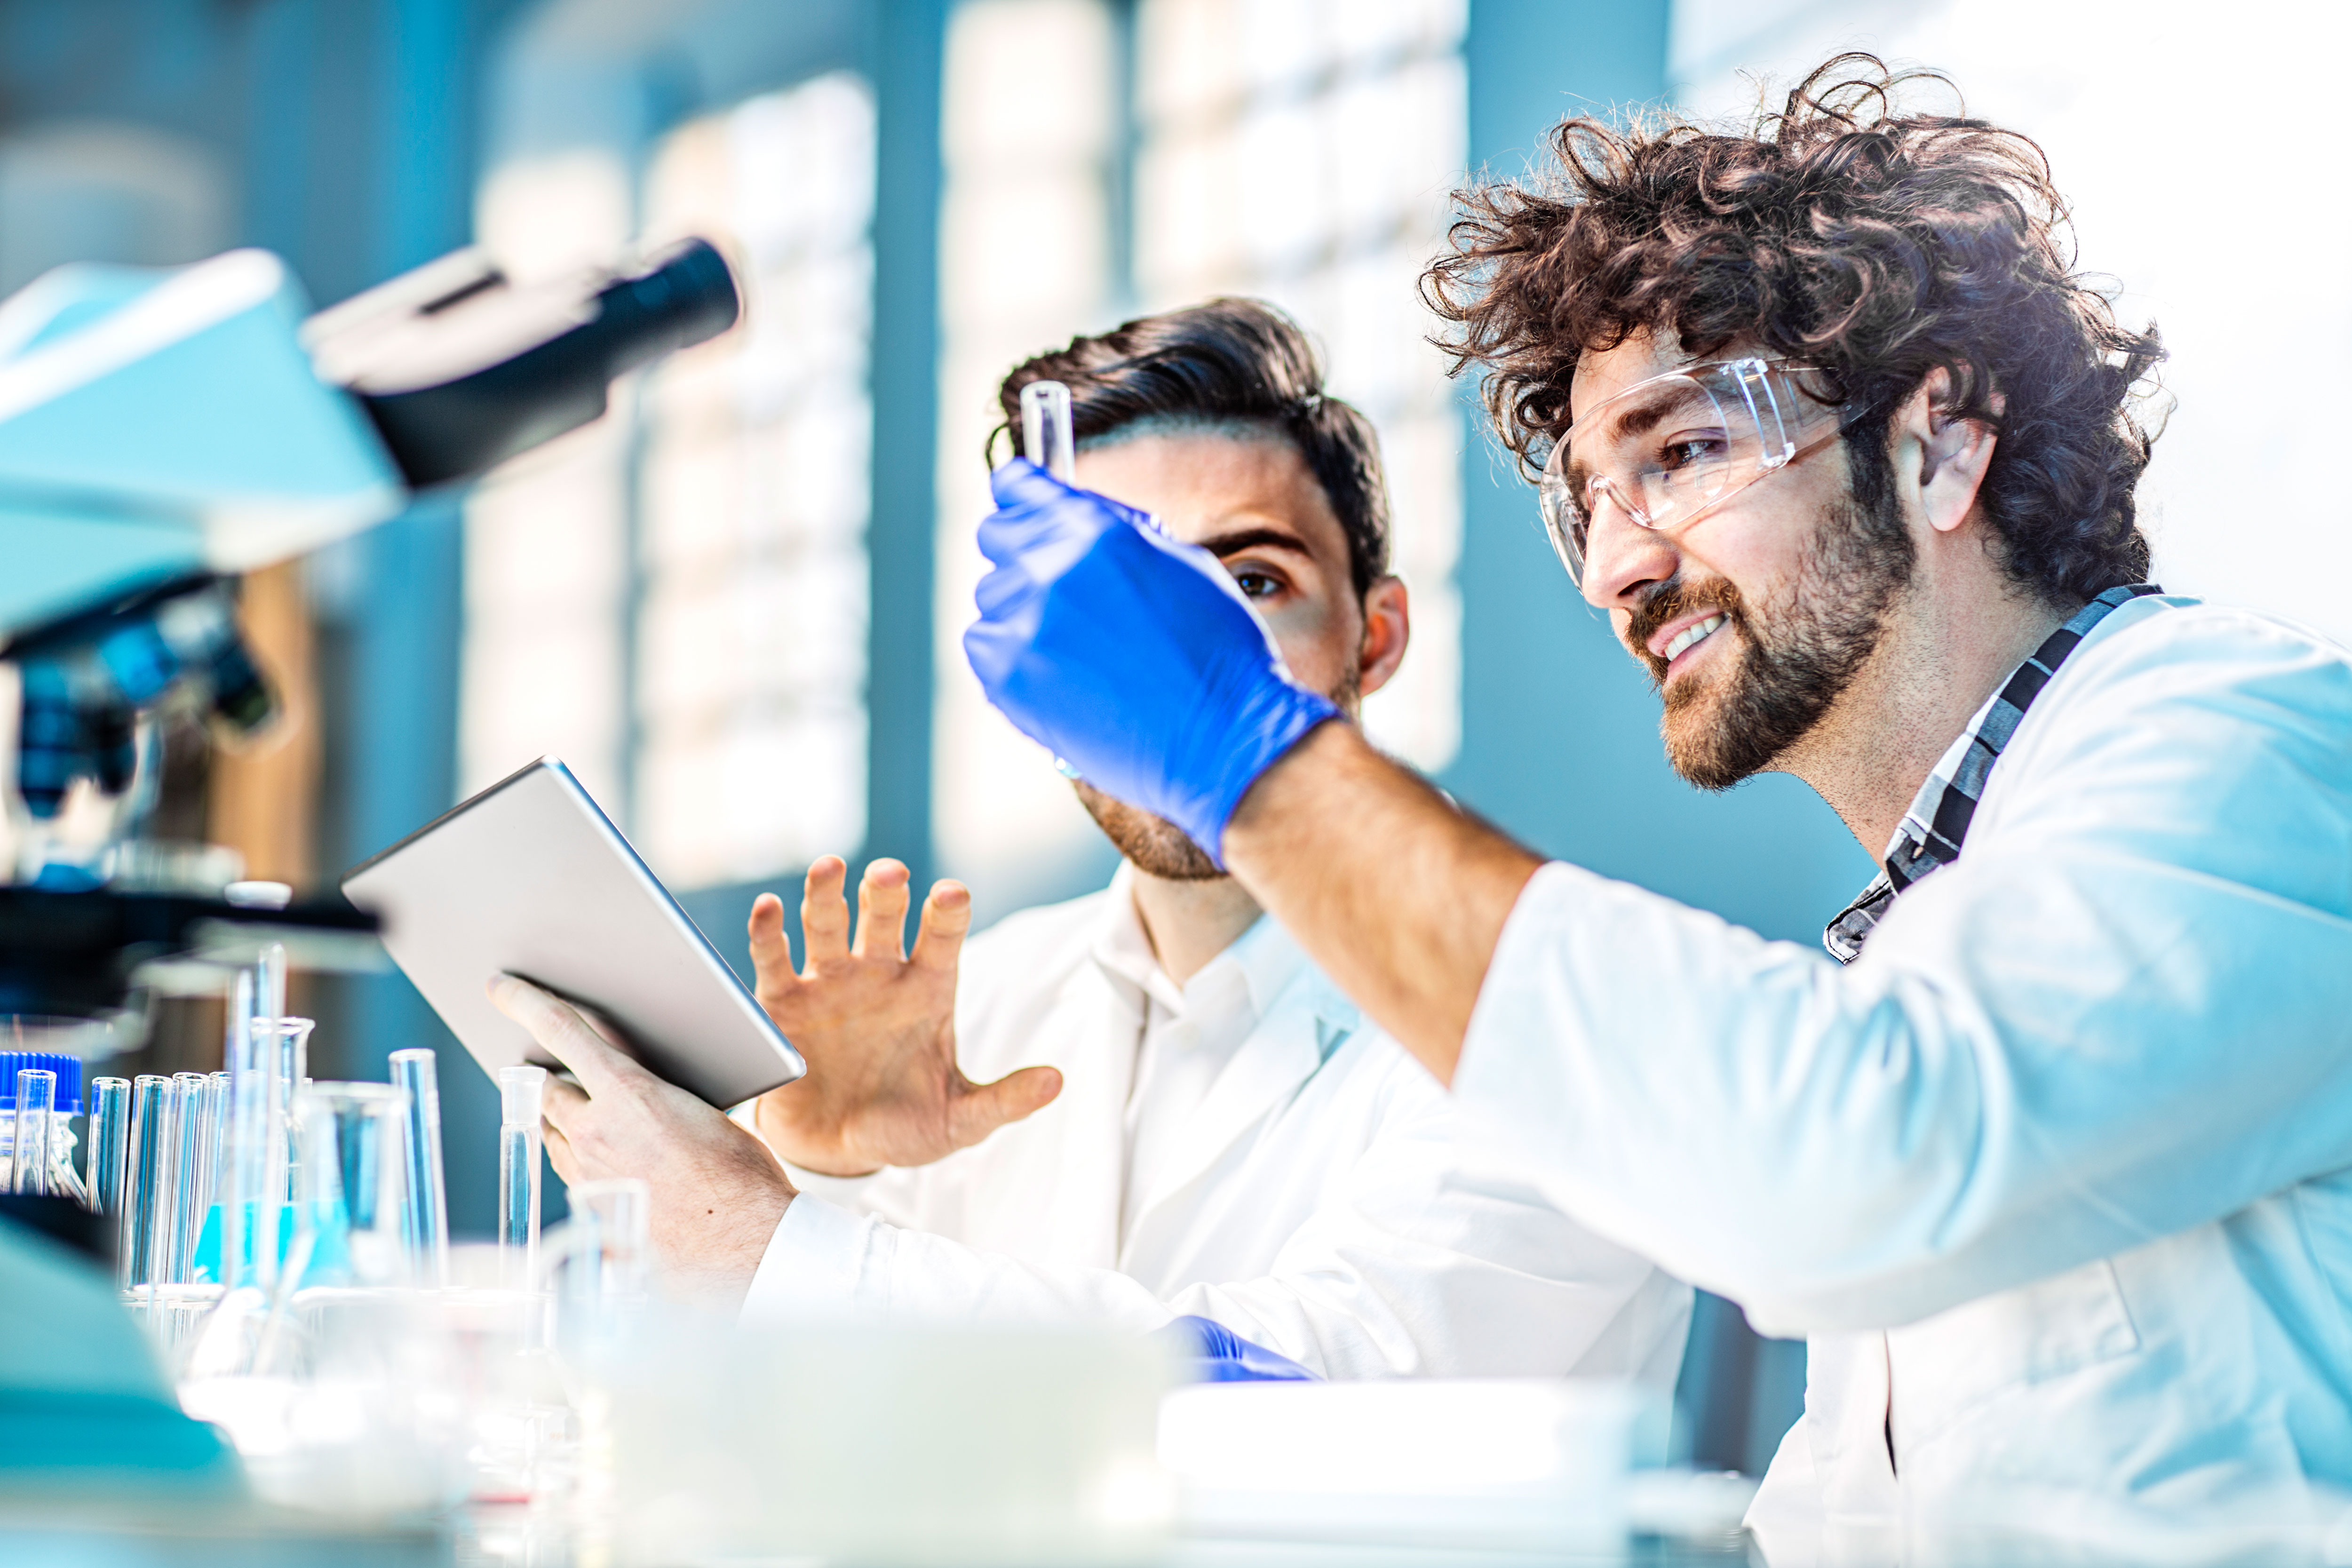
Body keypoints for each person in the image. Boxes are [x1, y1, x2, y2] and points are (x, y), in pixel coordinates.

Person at [957, 57, 2352, 1556]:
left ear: (1941, 439)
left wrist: (1242, 751)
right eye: (1587, 499)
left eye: (1683, 450)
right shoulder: (1931, 919)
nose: (1622, 565)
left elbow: (1851, 1156)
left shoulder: (2241, 743)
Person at [492, 299, 1690, 1385]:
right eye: (1119, 602)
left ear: (1374, 639)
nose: (1168, 663)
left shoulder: (1557, 1003)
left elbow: (1297, 1397)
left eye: (1254, 582)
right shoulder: (984, 1000)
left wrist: (762, 1240)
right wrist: (815, 1166)